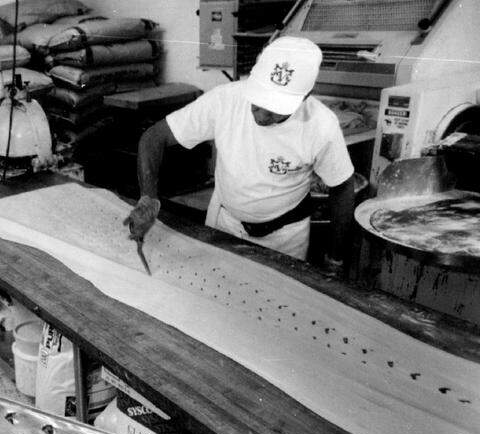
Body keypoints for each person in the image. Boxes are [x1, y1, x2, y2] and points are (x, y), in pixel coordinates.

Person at [125, 35, 356, 270]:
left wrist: (334, 258)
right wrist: (148, 199)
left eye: (276, 110)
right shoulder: (225, 99)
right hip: (225, 225)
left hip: (285, 238)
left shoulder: (321, 125)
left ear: (304, 97)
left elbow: (342, 186)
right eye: (257, 103)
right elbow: (154, 138)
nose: (261, 117)